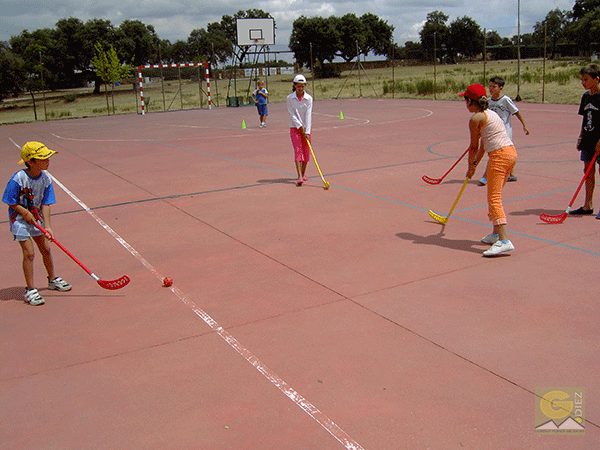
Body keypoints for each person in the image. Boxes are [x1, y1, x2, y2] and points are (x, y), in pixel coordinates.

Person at [2, 142, 72, 306]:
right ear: (31, 161)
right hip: (19, 220)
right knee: (29, 253)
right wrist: (24, 212)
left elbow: (46, 204)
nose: (48, 161)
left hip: (36, 219)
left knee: (46, 249)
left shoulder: (46, 179)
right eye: (43, 158)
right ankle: (30, 289)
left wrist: (47, 226)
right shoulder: (18, 179)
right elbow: (10, 201)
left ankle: (52, 280)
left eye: (47, 157)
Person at [462, 84, 518, 257]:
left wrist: (470, 167)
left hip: (499, 157)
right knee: (495, 194)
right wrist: (474, 165)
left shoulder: (475, 119)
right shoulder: (491, 113)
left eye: (465, 100)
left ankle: (504, 240)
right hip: (510, 153)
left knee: (494, 198)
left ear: (471, 101)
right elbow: (483, 146)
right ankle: (495, 234)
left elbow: (473, 146)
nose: (465, 103)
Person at [478, 76, 530, 186]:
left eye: (494, 87)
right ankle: (512, 174)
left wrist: (524, 125)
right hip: (493, 132)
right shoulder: (488, 101)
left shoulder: (505, 100)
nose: (491, 89)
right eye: (490, 86)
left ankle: (486, 176)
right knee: (502, 153)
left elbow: (517, 112)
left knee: (495, 153)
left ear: (501, 87)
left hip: (504, 132)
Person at [569, 64, 600, 218]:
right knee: (588, 171)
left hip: (599, 140)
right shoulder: (586, 97)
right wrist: (581, 137)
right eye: (582, 79)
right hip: (588, 139)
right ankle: (588, 205)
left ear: (596, 79)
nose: (583, 82)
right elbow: (585, 119)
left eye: (586, 79)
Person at [287, 74, 313, 186]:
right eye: (298, 86)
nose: (300, 88)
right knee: (298, 150)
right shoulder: (290, 98)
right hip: (295, 128)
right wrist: (299, 126)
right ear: (294, 85)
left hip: (306, 129)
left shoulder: (309, 99)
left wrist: (306, 131)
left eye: (302, 86)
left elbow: (308, 115)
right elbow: (292, 114)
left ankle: (303, 173)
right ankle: (299, 176)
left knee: (306, 151)